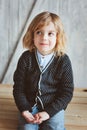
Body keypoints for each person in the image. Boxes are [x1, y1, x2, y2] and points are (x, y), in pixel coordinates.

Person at [13, 11, 74, 130]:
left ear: (58, 37)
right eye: (39, 32)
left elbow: (67, 92)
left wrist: (48, 112)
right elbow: (18, 88)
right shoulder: (26, 58)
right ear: (32, 35)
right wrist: (24, 109)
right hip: (29, 106)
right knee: (26, 128)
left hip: (54, 107)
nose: (44, 38)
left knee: (54, 127)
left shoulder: (63, 61)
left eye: (50, 33)